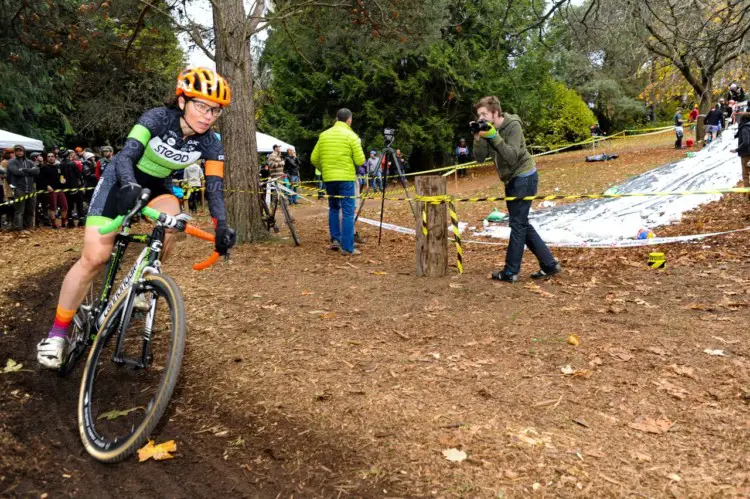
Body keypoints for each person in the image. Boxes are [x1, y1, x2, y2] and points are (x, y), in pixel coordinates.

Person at [37, 67, 237, 369]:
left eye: (216, 111)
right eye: (201, 106)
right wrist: (129, 184)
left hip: (158, 186)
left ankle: (146, 278)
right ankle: (57, 335)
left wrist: (221, 225)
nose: (208, 116)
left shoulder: (211, 142)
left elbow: (216, 188)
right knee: (94, 258)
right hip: (120, 180)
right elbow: (128, 154)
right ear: (182, 101)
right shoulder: (157, 118)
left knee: (173, 221)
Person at [471, 96, 560, 282]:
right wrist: (478, 137)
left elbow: (511, 157)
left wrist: (494, 136)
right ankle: (549, 264)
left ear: (495, 113)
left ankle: (511, 272)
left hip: (524, 177)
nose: (481, 118)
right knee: (521, 223)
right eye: (479, 115)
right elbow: (479, 158)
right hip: (511, 180)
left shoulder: (513, 126)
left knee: (518, 225)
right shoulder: (486, 129)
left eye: (484, 114)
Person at [311, 108, 365, 256]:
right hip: (346, 178)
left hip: (329, 179)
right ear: (349, 120)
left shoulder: (324, 135)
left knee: (334, 208)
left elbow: (314, 159)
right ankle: (347, 247)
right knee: (348, 212)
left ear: (336, 118)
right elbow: (360, 160)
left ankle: (335, 239)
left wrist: (325, 169)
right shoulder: (352, 135)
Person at [7, 144, 39, 230]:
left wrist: (24, 170)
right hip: (19, 188)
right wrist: (30, 171)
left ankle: (29, 227)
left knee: (30, 209)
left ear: (23, 151)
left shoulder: (29, 162)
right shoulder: (12, 162)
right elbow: (16, 172)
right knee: (19, 211)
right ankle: (19, 228)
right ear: (15, 152)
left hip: (31, 188)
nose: (19, 152)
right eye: (17, 151)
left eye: (20, 150)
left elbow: (36, 171)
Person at [39, 151, 68, 228]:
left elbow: (62, 175)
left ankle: (63, 223)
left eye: (52, 156)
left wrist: (63, 180)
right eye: (49, 156)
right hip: (51, 190)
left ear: (55, 157)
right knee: (53, 207)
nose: (50, 158)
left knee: (65, 206)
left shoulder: (58, 166)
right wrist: (46, 186)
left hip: (60, 189)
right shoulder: (43, 167)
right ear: (47, 158)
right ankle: (54, 224)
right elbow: (41, 179)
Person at [60, 149, 85, 227]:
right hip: (75, 187)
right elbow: (79, 175)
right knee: (79, 204)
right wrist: (82, 183)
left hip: (66, 187)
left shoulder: (60, 164)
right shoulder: (73, 163)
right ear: (68, 155)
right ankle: (81, 221)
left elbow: (60, 176)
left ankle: (70, 222)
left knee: (69, 205)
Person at [732, 112, 750, 199]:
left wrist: (737, 149)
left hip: (746, 154)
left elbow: (746, 142)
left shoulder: (745, 128)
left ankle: (748, 193)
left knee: (746, 174)